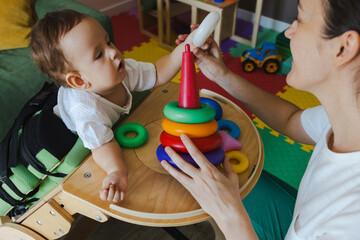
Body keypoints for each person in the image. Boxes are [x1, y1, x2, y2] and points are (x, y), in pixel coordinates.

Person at [161, 0, 360, 239]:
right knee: (223, 178)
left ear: (343, 48)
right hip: (301, 219)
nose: (288, 31)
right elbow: (290, 119)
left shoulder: (351, 221)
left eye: (301, 19)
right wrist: (221, 75)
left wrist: (230, 216)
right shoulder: (346, 116)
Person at [30, 9, 202, 203]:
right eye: (99, 55)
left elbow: (159, 72)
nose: (113, 52)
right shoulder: (85, 110)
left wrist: (188, 46)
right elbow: (103, 145)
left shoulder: (121, 69)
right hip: (65, 134)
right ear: (79, 81)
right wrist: (116, 171)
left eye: (108, 41)